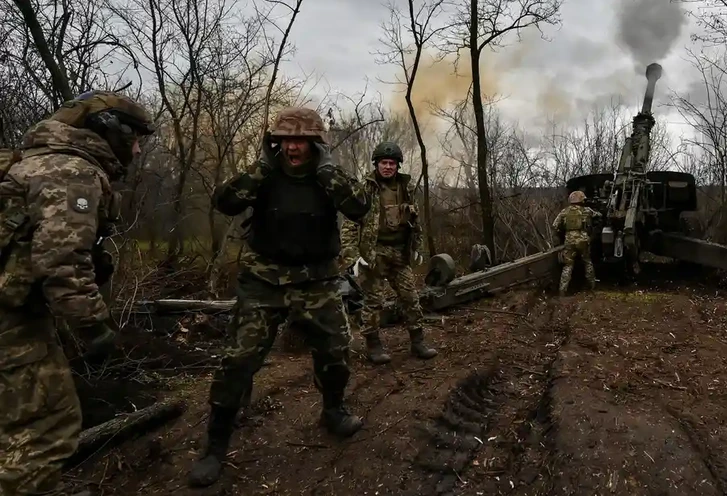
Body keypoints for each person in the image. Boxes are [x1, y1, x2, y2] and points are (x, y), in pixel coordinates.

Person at [187, 107, 372, 488]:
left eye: (301, 140)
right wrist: (261, 168)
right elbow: (225, 201)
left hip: (317, 279)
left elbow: (360, 207)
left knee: (336, 350)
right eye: (285, 140)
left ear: (316, 143)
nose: (292, 147)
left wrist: (328, 172)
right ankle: (216, 444)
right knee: (239, 359)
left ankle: (333, 410)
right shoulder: (264, 173)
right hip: (264, 280)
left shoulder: (328, 175)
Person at [0, 90, 154, 496]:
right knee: (47, 422)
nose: (138, 150)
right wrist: (95, 328)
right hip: (10, 321)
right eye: (135, 138)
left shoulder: (34, 161)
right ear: (111, 131)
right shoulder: (70, 171)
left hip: (16, 312)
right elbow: (62, 262)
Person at [341, 141, 437, 365]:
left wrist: (417, 246)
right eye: (384, 163)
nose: (387, 167)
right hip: (373, 253)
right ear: (376, 164)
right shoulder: (365, 189)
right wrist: (352, 256)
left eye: (392, 163)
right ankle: (373, 345)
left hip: (399, 252)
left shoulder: (405, 188)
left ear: (397, 166)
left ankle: (418, 342)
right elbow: (350, 223)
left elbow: (415, 219)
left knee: (410, 298)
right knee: (374, 301)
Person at [552, 190, 602, 296]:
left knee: (568, 265)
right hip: (583, 239)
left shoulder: (564, 211)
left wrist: (561, 234)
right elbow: (599, 215)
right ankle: (592, 286)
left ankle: (562, 291)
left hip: (569, 240)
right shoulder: (587, 210)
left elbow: (555, 225)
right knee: (587, 262)